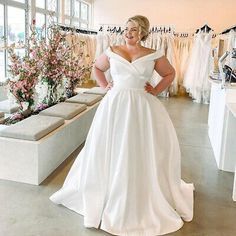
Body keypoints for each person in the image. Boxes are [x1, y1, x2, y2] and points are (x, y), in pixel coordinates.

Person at [50, 15, 194, 236]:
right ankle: (107, 189)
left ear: (143, 33)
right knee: (110, 146)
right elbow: (97, 68)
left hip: (142, 108)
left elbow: (170, 73)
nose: (128, 33)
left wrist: (156, 90)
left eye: (134, 30)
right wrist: (105, 84)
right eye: (127, 29)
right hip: (114, 105)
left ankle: (139, 190)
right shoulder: (112, 50)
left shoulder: (153, 54)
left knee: (138, 148)